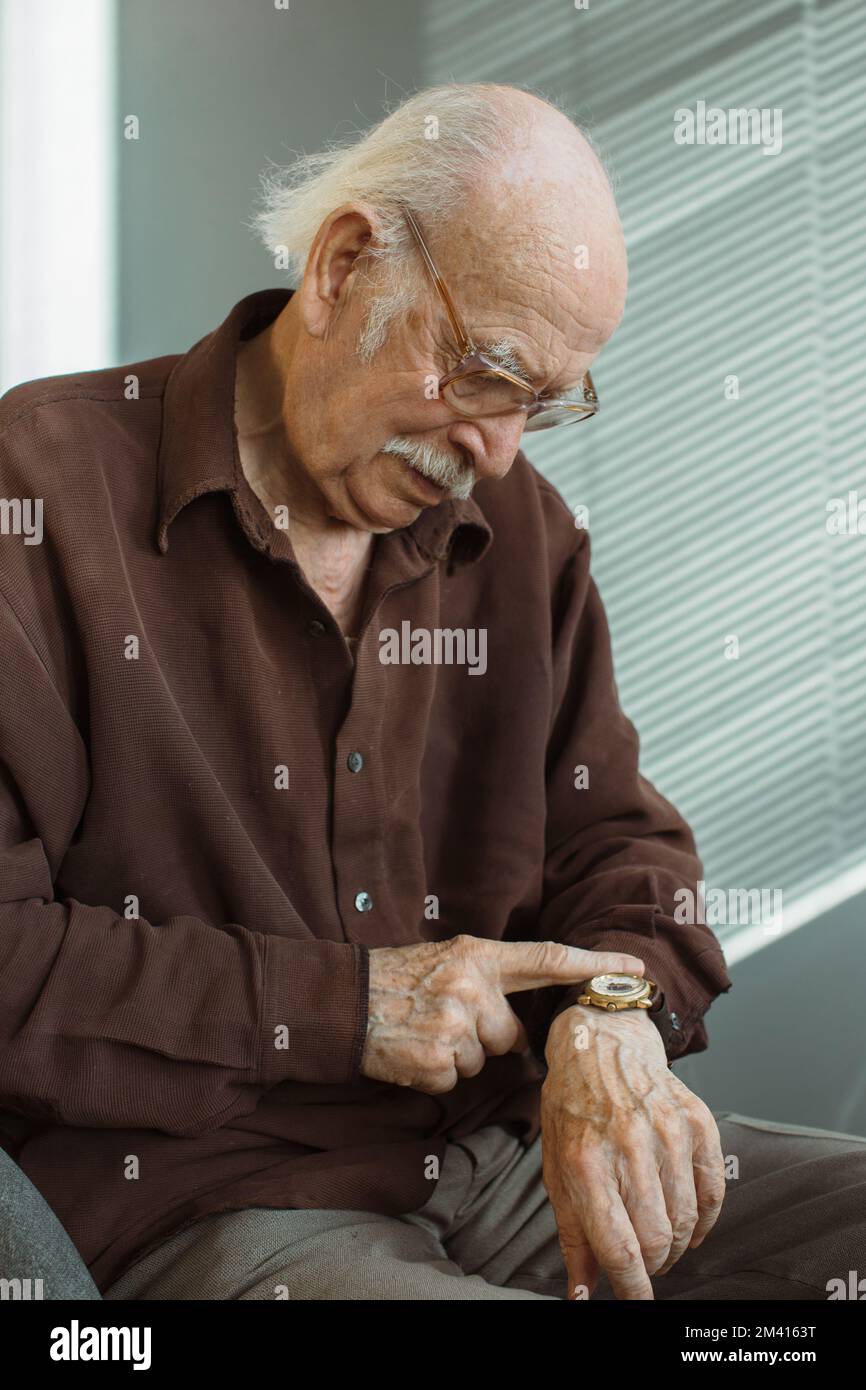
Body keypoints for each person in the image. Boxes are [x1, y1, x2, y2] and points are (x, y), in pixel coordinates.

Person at [1, 83, 864, 1302]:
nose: (501, 451)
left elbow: (623, 844)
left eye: (546, 402)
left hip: (505, 1160)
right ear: (346, 264)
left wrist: (611, 1012)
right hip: (222, 1196)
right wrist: (349, 1007)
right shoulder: (36, 497)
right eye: (487, 374)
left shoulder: (519, 531)